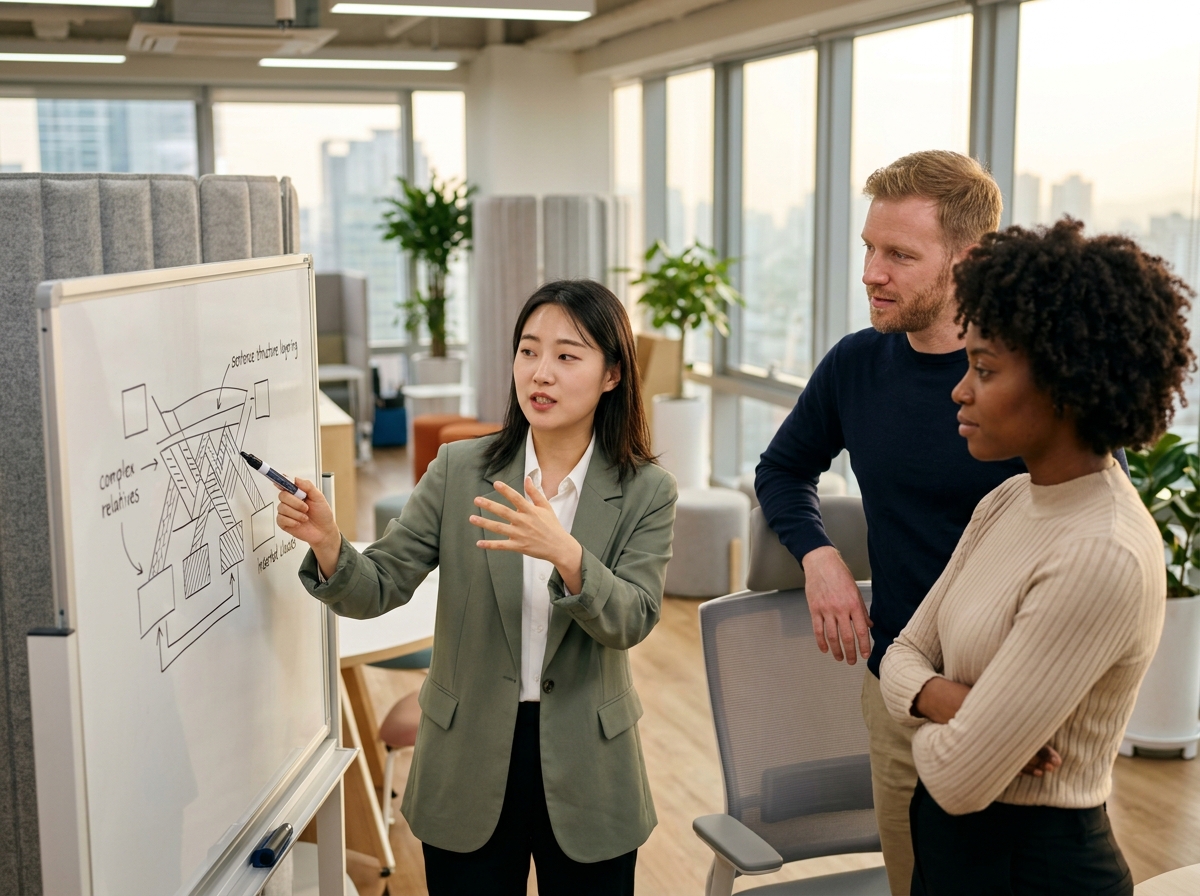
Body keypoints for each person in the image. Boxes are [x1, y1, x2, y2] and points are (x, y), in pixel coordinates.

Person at [277, 280, 677, 896]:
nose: (540, 373)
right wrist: (330, 544)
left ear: (611, 375)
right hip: (468, 758)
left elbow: (633, 617)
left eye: (567, 356)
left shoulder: (647, 490)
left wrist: (567, 553)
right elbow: (378, 586)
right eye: (528, 351)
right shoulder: (460, 469)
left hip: (590, 766)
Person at [880, 219, 1192, 895]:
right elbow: (900, 653)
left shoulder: (1100, 551)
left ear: (1066, 382)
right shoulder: (1010, 500)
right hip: (956, 859)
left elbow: (959, 780)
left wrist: (925, 718)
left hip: (1032, 871)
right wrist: (956, 704)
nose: (960, 390)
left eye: (985, 369)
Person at [754, 150, 1025, 894]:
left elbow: (1095, 521)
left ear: (968, 260)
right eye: (869, 249)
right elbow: (781, 470)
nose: (871, 272)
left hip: (1020, 699)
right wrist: (820, 555)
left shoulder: (1034, 375)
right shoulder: (854, 366)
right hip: (901, 692)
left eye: (899, 254)